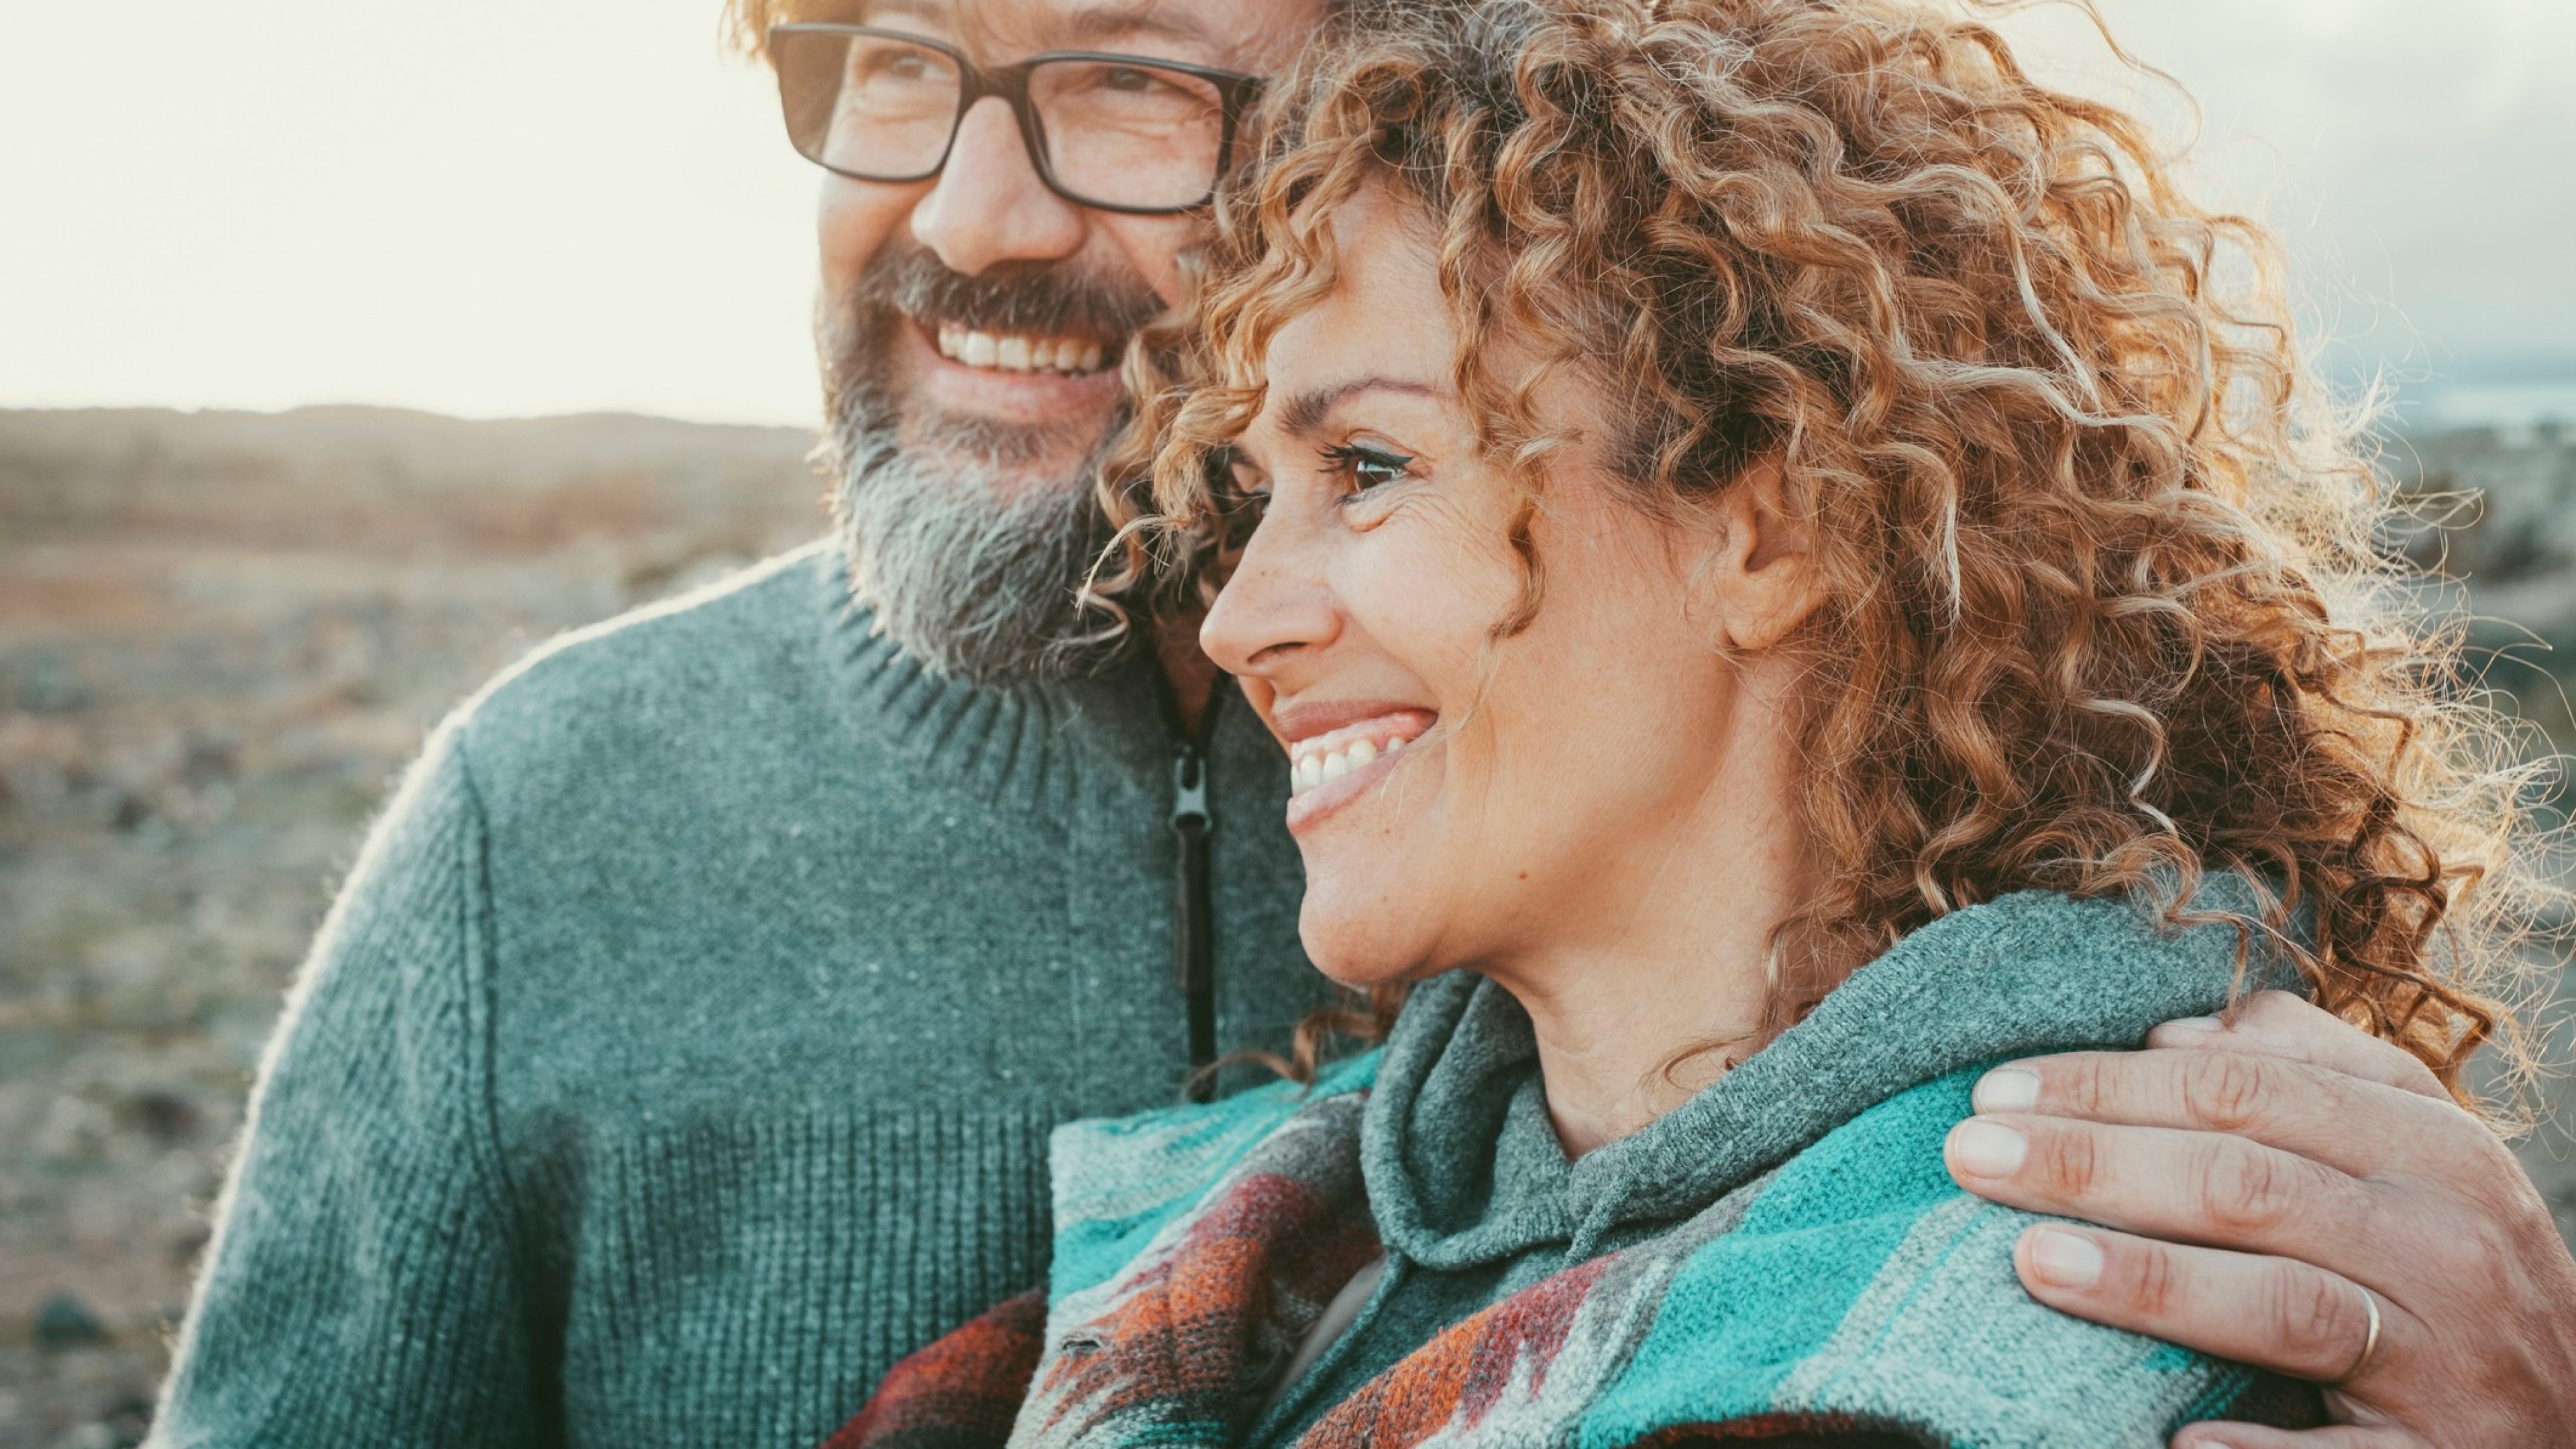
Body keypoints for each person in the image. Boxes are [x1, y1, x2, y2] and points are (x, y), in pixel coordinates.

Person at [145, 0, 2576, 1444]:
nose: (972, 212)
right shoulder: (545, 826)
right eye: (887, 58)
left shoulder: (2057, 1133)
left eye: (1135, 80)